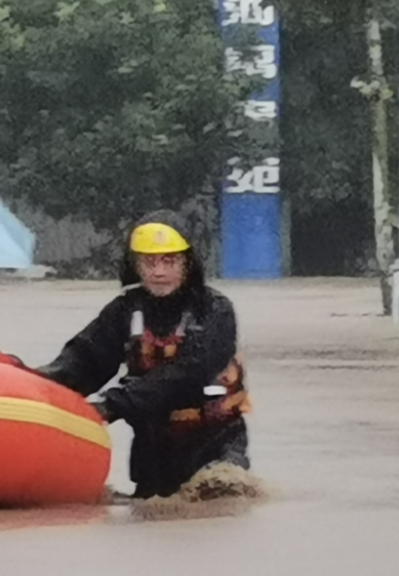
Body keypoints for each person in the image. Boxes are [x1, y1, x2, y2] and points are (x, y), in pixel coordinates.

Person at [37, 212, 250, 499]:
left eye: (169, 261)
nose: (158, 272)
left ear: (188, 263)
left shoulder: (214, 311)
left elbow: (190, 373)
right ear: (135, 265)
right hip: (152, 452)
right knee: (146, 520)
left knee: (216, 505)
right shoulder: (124, 310)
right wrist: (36, 386)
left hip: (215, 445)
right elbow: (84, 362)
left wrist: (111, 405)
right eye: (149, 262)